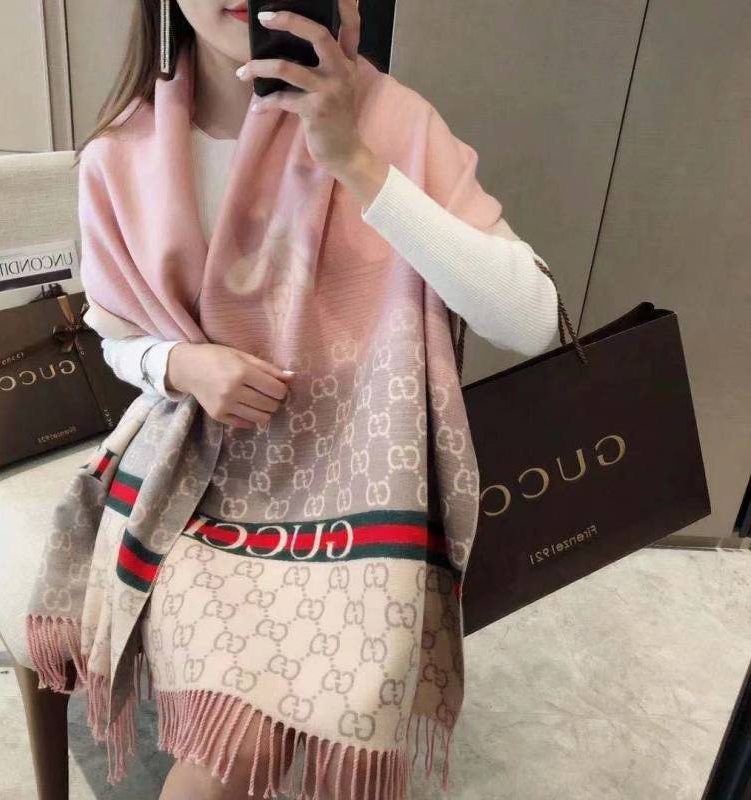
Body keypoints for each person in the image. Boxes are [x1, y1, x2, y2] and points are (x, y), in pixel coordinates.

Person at [56, 1, 561, 798]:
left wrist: (355, 160)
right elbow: (115, 334)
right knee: (243, 744)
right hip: (199, 486)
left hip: (360, 479)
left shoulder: (391, 122)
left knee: (289, 715)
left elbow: (530, 320)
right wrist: (182, 364)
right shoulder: (123, 155)